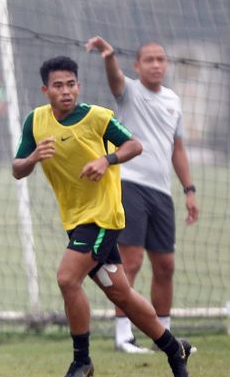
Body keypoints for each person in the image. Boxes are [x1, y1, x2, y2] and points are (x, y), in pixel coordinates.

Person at [12, 56, 192, 377]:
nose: (66, 91)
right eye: (58, 85)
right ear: (45, 90)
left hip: (104, 216)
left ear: (78, 86)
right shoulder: (35, 122)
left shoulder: (97, 117)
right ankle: (174, 349)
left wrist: (105, 159)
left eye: (71, 84)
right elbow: (17, 168)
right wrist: (33, 158)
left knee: (67, 279)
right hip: (76, 219)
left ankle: (82, 360)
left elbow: (135, 145)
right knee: (121, 294)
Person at [85, 36, 199, 354]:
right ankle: (124, 335)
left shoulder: (174, 101)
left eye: (161, 59)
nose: (156, 64)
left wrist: (189, 190)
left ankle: (166, 335)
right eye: (149, 59)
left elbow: (177, 149)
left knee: (165, 265)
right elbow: (115, 79)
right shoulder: (130, 91)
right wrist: (109, 56)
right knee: (130, 262)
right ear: (137, 65)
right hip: (129, 185)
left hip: (161, 192)